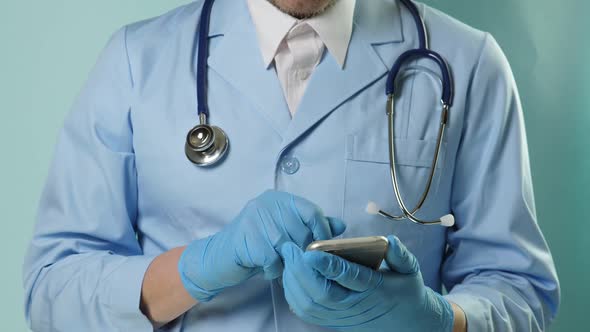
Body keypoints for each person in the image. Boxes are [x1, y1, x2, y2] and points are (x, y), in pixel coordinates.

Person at [22, 0, 560, 331]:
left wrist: (437, 323)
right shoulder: (136, 62)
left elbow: (519, 290)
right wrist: (197, 267)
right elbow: (52, 294)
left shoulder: (468, 66)